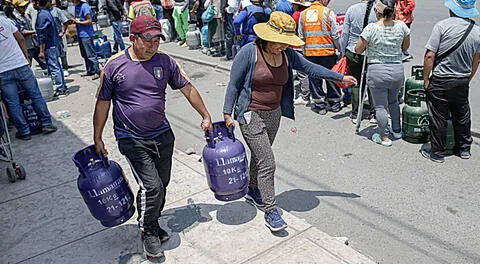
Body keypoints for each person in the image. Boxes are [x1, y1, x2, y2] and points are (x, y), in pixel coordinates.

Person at [223, 12, 356, 232]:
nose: (283, 47)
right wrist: (228, 113)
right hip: (250, 113)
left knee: (260, 156)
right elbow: (234, 85)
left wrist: (340, 77)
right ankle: (271, 210)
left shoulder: (287, 55)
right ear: (268, 37)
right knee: (268, 161)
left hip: (274, 113)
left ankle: (253, 190)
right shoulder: (249, 52)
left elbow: (310, 68)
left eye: (286, 43)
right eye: (280, 43)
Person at [93, 15, 213, 258]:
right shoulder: (114, 66)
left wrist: (205, 115)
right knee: (152, 186)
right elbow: (103, 103)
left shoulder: (165, 61)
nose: (153, 45)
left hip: (162, 135)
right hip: (131, 138)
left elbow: (187, 87)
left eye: (157, 40)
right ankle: (147, 231)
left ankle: (153, 222)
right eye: (148, 40)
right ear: (133, 38)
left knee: (161, 185)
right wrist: (98, 137)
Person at [421, 0, 480, 162]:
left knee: (438, 116)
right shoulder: (477, 32)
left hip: (440, 79)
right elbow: (476, 61)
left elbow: (429, 56)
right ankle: (464, 149)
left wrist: (426, 80)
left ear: (452, 9)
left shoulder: (442, 26)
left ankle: (437, 153)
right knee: (462, 114)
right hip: (461, 80)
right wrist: (467, 78)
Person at [355, 0, 410, 146]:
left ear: (378, 12)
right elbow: (406, 46)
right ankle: (397, 129)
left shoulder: (371, 28)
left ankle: (384, 136)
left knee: (380, 106)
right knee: (393, 101)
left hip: (377, 70)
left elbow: (358, 50)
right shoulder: (402, 26)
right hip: (397, 70)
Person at [0, 15, 57, 140]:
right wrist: (25, 57)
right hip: (20, 65)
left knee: (13, 103)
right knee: (35, 95)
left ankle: (24, 131)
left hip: (2, 71)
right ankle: (46, 124)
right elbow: (21, 38)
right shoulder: (4, 20)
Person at [298, 0, 342, 115]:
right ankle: (334, 103)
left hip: (310, 53)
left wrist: (304, 52)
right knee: (331, 78)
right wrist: (340, 50)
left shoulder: (303, 14)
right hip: (327, 52)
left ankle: (319, 105)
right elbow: (335, 34)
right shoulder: (328, 12)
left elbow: (301, 36)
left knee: (314, 80)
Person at [340, 0, 376, 124]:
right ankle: (373, 113)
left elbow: (345, 33)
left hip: (353, 51)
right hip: (372, 52)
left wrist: (342, 51)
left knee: (356, 82)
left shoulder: (352, 9)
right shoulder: (377, 9)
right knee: (372, 82)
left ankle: (356, 113)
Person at [33, 0, 69, 97]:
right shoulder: (46, 13)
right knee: (57, 66)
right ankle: (62, 86)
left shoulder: (42, 15)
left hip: (49, 45)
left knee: (54, 67)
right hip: (53, 43)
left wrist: (41, 50)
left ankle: (60, 88)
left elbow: (42, 35)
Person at [12, 0, 48, 69]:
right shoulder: (15, 17)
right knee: (27, 67)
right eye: (22, 7)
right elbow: (21, 32)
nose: (25, 8)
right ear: (16, 7)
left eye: (25, 6)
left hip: (33, 44)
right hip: (26, 47)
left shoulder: (25, 15)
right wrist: (35, 31)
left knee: (44, 63)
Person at [71, 0, 101, 80]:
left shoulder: (85, 7)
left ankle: (96, 71)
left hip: (86, 34)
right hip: (80, 33)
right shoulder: (76, 6)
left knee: (90, 54)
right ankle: (90, 70)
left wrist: (79, 22)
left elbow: (89, 21)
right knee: (84, 54)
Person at [290, 0, 311, 105]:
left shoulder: (296, 15)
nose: (292, 5)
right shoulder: (308, 12)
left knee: (302, 72)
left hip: (298, 46)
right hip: (308, 45)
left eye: (293, 4)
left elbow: (292, 31)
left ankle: (305, 95)